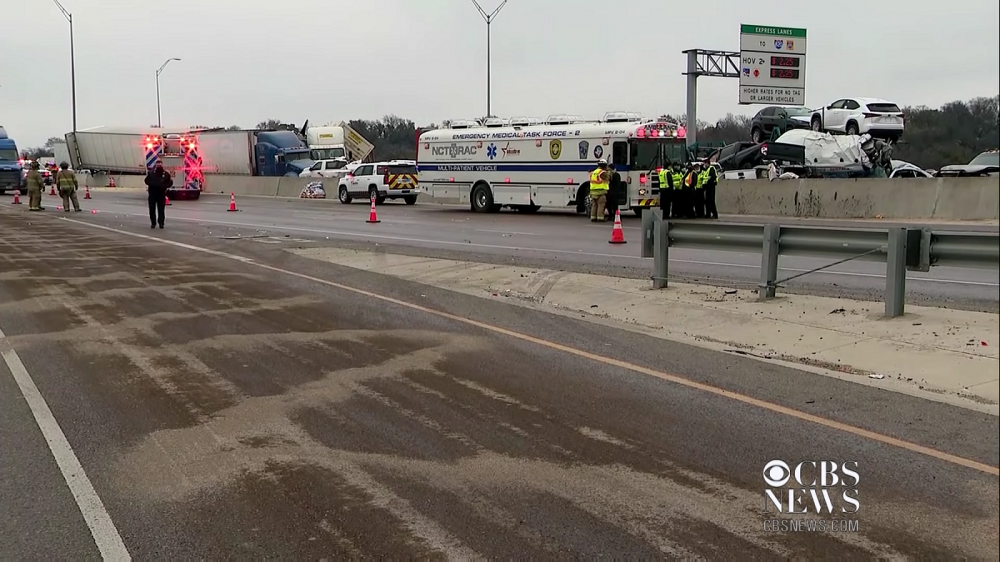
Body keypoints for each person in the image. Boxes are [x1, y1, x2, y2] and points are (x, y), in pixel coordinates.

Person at [144, 161, 173, 229]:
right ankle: (153, 223)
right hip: (152, 194)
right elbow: (146, 181)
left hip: (161, 194)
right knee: (152, 209)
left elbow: (170, 182)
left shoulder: (165, 174)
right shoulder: (151, 173)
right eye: (157, 165)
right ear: (155, 165)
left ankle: (161, 223)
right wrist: (153, 184)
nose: (159, 166)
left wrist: (163, 186)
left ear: (162, 165)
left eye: (160, 165)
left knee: (161, 209)